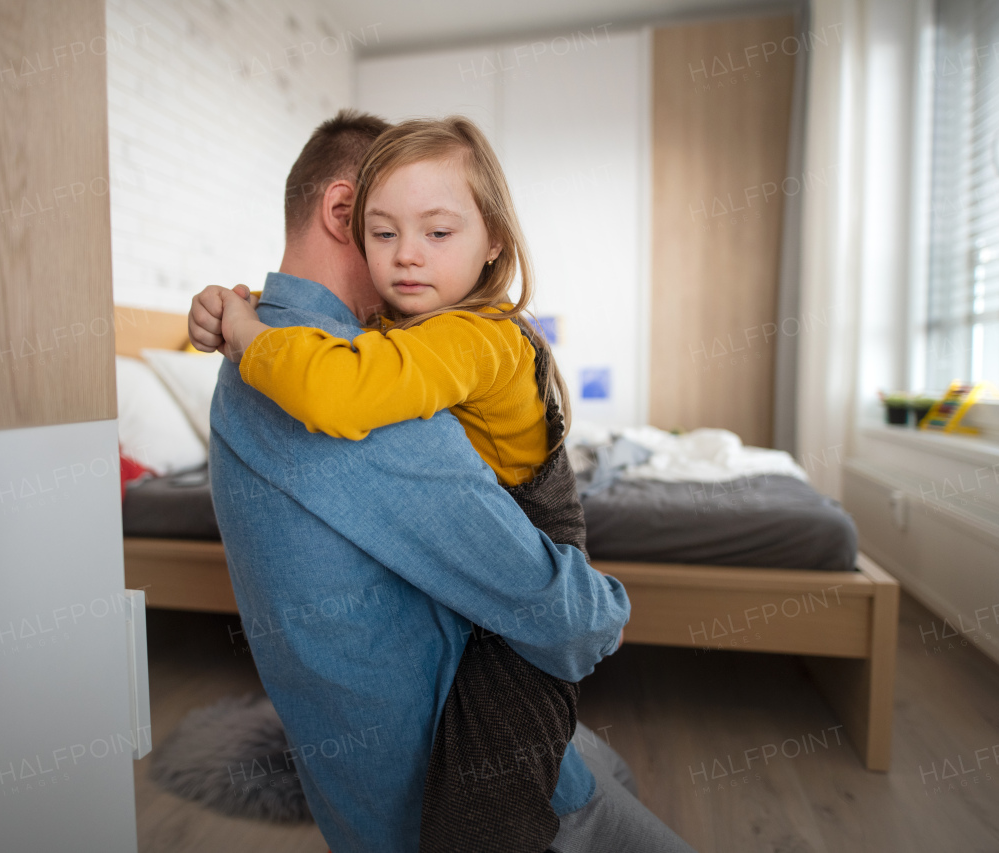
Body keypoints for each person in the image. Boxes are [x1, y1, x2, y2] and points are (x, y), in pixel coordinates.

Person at [189, 109, 695, 853]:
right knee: (598, 764)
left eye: (438, 232)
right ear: (345, 214)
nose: (408, 261)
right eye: (385, 232)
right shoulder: (330, 383)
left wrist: (239, 317)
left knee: (607, 762)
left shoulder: (259, 354)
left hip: (370, 782)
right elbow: (575, 619)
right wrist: (602, 608)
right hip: (450, 779)